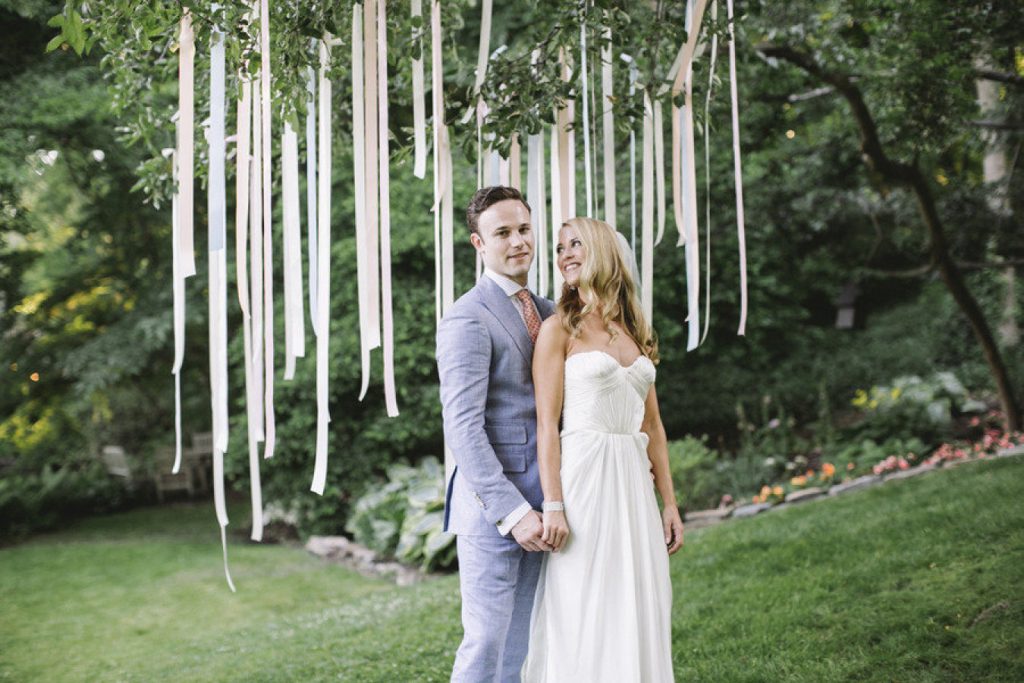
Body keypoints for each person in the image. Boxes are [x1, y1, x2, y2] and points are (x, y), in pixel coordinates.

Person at [522, 217, 685, 682]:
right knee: (586, 601)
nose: (565, 254)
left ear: (603, 251)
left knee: (640, 598)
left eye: (576, 243)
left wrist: (669, 503)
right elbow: (546, 426)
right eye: (559, 248)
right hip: (584, 481)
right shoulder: (558, 330)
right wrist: (553, 505)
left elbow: (652, 424)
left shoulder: (632, 329)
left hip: (632, 483)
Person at [436, 186, 557, 682]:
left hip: (549, 503)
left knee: (522, 640)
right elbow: (462, 427)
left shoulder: (549, 311)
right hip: (495, 512)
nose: (517, 241)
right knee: (486, 639)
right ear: (478, 243)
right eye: (502, 232)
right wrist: (512, 512)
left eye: (524, 229)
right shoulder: (467, 316)